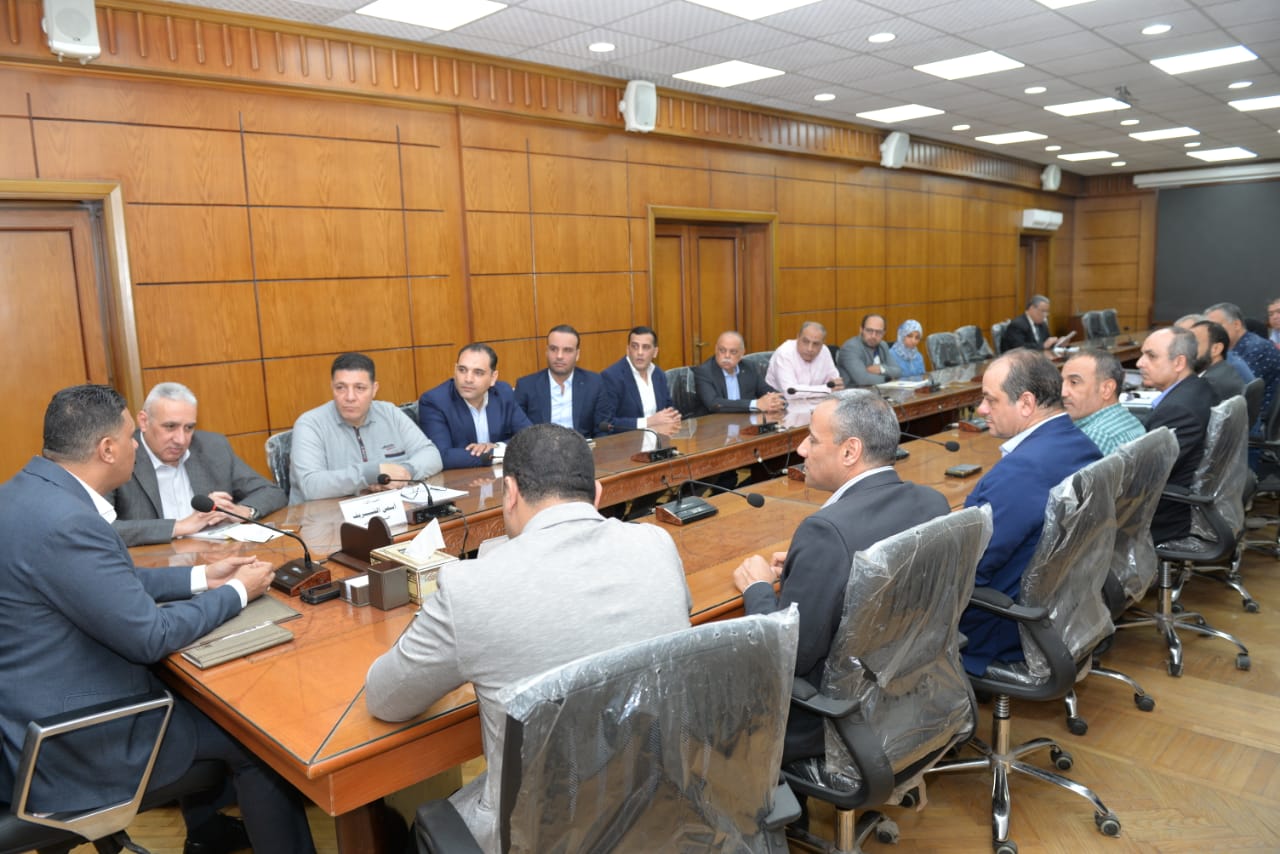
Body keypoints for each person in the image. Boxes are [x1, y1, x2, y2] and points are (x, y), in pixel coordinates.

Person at [0, 385, 315, 854]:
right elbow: (151, 636)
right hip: (75, 743)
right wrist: (236, 592)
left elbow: (107, 583)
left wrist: (202, 577)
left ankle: (207, 834)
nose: (136, 445)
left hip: (23, 713)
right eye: (131, 437)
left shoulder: (23, 494)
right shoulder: (70, 522)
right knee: (263, 743)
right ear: (107, 449)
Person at [365, 424, 691, 851]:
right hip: (650, 808)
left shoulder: (472, 586)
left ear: (510, 492)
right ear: (596, 494)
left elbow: (386, 699)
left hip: (538, 831)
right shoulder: (657, 544)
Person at [732, 390, 948, 762]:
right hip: (910, 696)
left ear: (850, 451)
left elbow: (788, 653)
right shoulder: (933, 502)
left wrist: (759, 588)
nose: (801, 449)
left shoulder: (826, 532)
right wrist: (808, 567)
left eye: (813, 439)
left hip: (832, 720)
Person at [960, 350, 1101, 676]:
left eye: (990, 400)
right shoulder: (1080, 443)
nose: (981, 410)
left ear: (1026, 403)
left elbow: (970, 567)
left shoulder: (1021, 471)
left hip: (1002, 627)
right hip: (1061, 609)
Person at [109, 382, 286, 546]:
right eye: (170, 426)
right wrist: (180, 526)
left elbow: (271, 492)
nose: (181, 439)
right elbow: (104, 528)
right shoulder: (119, 456)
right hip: (152, 562)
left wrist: (243, 511)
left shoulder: (213, 447)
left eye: (189, 428)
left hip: (212, 556)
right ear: (144, 421)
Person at [290, 352, 442, 503]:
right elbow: (311, 485)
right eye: (341, 387)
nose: (350, 397)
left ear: (374, 389)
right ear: (332, 387)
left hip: (385, 508)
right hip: (323, 515)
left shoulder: (390, 413)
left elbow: (431, 454)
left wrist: (405, 472)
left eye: (360, 388)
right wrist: (371, 473)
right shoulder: (310, 424)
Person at [1138, 327, 1216, 544]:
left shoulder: (1178, 410)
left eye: (1151, 356)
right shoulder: (1199, 387)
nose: (1140, 363)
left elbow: (1146, 475)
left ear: (1179, 363)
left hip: (1168, 515)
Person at [420, 343, 532, 468]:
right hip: (458, 478)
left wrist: (497, 446)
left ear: (493, 378)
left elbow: (530, 438)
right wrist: (493, 454)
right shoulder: (435, 401)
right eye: (462, 370)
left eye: (478, 372)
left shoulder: (503, 393)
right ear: (455, 370)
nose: (468, 379)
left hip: (499, 474)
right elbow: (441, 456)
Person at [1205, 302, 1280, 435]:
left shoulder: (1256, 348)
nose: (1211, 334)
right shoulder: (1234, 348)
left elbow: (1234, 390)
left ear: (1236, 324)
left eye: (1217, 327)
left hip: (1255, 423)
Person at [514, 324, 602, 437]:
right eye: (553, 349)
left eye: (567, 350)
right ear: (546, 351)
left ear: (577, 355)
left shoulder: (594, 383)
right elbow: (518, 433)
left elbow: (602, 430)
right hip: (541, 447)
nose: (559, 356)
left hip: (581, 446)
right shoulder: (526, 386)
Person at [597, 326, 681, 433]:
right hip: (628, 441)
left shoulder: (658, 374)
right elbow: (607, 423)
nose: (640, 352)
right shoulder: (611, 377)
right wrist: (648, 422)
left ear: (655, 352)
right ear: (628, 350)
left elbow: (669, 406)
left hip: (659, 437)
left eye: (645, 347)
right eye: (635, 346)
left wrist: (673, 416)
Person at [1060, 349, 1146, 455]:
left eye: (1074, 382)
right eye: (1061, 382)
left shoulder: (1094, 436)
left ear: (1106, 389)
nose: (1062, 392)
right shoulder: (1129, 419)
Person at [692, 331, 785, 416]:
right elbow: (714, 404)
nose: (727, 356)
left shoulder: (750, 367)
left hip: (746, 422)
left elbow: (767, 390)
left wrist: (775, 401)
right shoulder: (704, 371)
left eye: (733, 352)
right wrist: (755, 404)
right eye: (722, 350)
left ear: (742, 353)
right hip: (715, 424)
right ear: (716, 349)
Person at [765, 321, 844, 397]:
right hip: (781, 401)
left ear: (823, 343)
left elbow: (834, 383)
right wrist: (827, 389)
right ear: (798, 337)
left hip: (817, 401)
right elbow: (791, 392)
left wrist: (835, 385)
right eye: (805, 342)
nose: (810, 349)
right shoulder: (784, 353)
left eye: (816, 344)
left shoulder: (824, 351)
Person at [837, 313, 903, 386]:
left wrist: (881, 369)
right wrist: (888, 379)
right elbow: (862, 379)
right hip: (855, 390)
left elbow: (898, 371)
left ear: (884, 333)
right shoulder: (851, 348)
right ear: (861, 330)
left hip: (879, 389)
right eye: (869, 330)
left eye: (878, 332)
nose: (873, 336)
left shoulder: (883, 345)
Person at [1192, 320, 1246, 402]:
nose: (1187, 350)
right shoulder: (1225, 370)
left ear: (1216, 349)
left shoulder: (1208, 384)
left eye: (1193, 344)